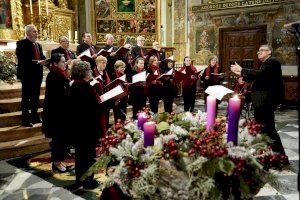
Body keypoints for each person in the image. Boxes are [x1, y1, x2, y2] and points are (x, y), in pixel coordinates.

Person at [231, 44, 288, 159]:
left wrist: (242, 70)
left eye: (262, 50)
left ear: (269, 52)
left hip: (266, 102)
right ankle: (269, 155)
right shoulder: (266, 64)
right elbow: (259, 78)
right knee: (263, 129)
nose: (258, 52)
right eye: (258, 51)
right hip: (262, 102)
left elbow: (261, 75)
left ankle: (280, 157)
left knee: (268, 129)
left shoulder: (273, 62)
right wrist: (241, 74)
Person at [69, 61, 102, 189]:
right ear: (84, 73)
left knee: (80, 156)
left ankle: (79, 180)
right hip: (87, 128)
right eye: (89, 71)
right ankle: (89, 182)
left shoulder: (75, 86)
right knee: (88, 156)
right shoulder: (86, 88)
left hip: (78, 127)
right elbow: (93, 109)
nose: (91, 73)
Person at [42, 53, 70, 173]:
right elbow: (59, 96)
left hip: (60, 112)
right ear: (55, 64)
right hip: (56, 113)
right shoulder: (54, 76)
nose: (65, 64)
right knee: (57, 139)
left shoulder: (59, 74)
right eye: (62, 62)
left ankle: (59, 161)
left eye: (65, 61)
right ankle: (56, 163)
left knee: (61, 138)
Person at [16, 24, 46, 127]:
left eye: (36, 31)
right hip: (27, 75)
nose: (36, 33)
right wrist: (38, 62)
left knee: (35, 97)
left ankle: (34, 116)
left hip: (37, 75)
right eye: (34, 31)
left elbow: (41, 56)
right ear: (28, 33)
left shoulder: (38, 45)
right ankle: (25, 120)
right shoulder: (21, 44)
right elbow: (23, 60)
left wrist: (44, 60)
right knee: (26, 98)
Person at [92, 55, 111, 133]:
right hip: (97, 100)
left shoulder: (105, 72)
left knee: (106, 117)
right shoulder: (92, 73)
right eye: (103, 63)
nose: (104, 64)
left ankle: (105, 132)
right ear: (97, 63)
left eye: (105, 63)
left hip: (106, 99)